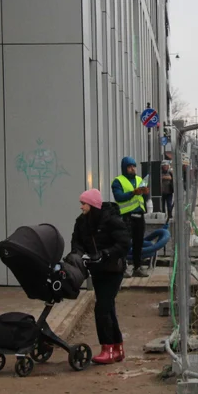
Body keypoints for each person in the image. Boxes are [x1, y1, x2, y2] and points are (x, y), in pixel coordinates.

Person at [71, 188, 131, 364]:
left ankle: (107, 347)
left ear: (93, 205)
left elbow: (124, 243)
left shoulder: (111, 220)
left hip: (113, 270)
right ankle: (117, 348)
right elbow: (76, 241)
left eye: (84, 204)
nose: (81, 207)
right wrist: (77, 254)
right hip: (97, 270)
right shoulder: (82, 222)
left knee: (102, 308)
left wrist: (105, 253)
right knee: (108, 308)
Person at [112, 156, 150, 278]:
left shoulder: (140, 180)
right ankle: (123, 267)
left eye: (134, 166)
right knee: (125, 243)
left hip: (139, 215)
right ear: (124, 168)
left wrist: (145, 193)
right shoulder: (118, 181)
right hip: (126, 216)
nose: (132, 169)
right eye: (129, 167)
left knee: (138, 242)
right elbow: (119, 197)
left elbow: (142, 197)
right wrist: (133, 192)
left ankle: (137, 267)